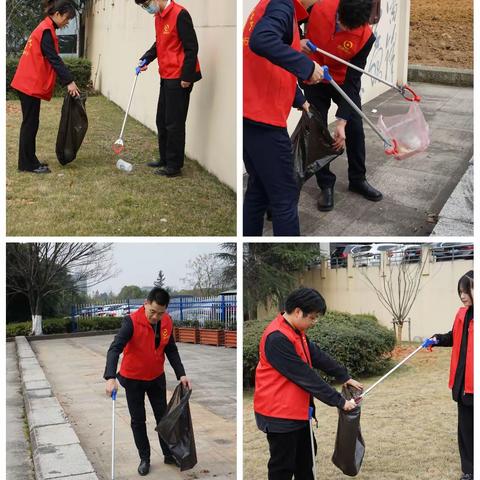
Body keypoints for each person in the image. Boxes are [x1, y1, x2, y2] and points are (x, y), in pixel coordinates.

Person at [254, 287, 363, 479]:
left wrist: (343, 376)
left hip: (297, 412)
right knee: (283, 467)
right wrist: (339, 401)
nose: (314, 322)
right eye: (312, 317)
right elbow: (305, 376)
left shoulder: (296, 331)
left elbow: (316, 355)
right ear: (298, 311)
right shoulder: (277, 338)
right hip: (278, 415)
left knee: (307, 460)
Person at [243, 0, 324, 236]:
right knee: (285, 197)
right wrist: (307, 67)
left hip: (249, 115)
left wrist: (299, 99)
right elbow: (262, 41)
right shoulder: (282, 5)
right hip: (264, 121)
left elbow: (266, 62)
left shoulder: (270, 5)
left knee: (259, 189)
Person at [301, 0, 383, 211]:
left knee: (354, 124)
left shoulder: (366, 38)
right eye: (340, 21)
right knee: (316, 127)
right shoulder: (318, 8)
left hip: (342, 81)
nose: (342, 28)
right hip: (313, 75)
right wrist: (299, 43)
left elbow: (354, 80)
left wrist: (341, 121)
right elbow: (293, 30)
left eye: (348, 27)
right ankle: (325, 184)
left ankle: (358, 179)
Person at [104, 288, 192, 476]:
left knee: (163, 418)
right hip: (133, 379)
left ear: (166, 310)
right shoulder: (131, 322)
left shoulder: (166, 321)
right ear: (145, 303)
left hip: (156, 378)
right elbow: (114, 349)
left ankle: (168, 454)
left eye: (160, 313)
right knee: (138, 420)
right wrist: (110, 377)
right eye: (152, 311)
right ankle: (145, 458)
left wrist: (181, 374)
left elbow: (171, 349)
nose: (155, 317)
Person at [10, 0, 80, 174]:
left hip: (27, 82)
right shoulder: (46, 31)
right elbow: (54, 59)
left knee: (31, 123)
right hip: (28, 84)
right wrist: (69, 81)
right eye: (66, 18)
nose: (67, 22)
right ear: (57, 14)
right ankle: (27, 164)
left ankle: (29, 160)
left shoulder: (46, 28)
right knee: (30, 124)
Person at [134, 0, 201, 178]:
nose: (146, 8)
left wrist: (187, 77)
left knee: (174, 123)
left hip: (180, 79)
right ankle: (164, 158)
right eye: (142, 6)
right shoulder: (158, 17)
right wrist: (145, 59)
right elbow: (159, 44)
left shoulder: (180, 14)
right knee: (162, 120)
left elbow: (191, 47)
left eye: (146, 3)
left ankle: (174, 165)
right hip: (166, 75)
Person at [431, 271, 474, 480]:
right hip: (464, 385)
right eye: (460, 292)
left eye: (466, 291)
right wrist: (436, 339)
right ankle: (469, 470)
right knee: (466, 431)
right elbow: (453, 337)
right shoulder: (462, 315)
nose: (463, 296)